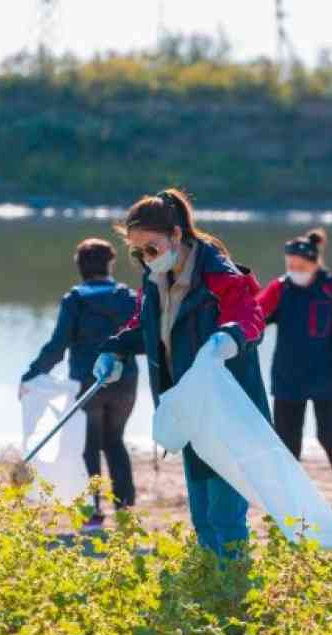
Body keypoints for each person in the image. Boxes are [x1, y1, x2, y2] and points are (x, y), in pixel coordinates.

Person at [94, 188, 269, 561]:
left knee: (225, 516)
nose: (145, 258)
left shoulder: (220, 275)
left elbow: (251, 317)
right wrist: (114, 349)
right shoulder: (155, 280)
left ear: (176, 235)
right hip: (187, 409)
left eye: (151, 248)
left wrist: (230, 337)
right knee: (202, 515)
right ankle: (209, 586)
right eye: (137, 252)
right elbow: (143, 325)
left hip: (226, 411)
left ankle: (233, 592)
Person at [20, 238, 138, 527]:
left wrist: (32, 375)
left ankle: (92, 512)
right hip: (124, 382)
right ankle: (125, 510)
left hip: (86, 382)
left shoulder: (75, 299)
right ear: (111, 264)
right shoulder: (127, 297)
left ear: (80, 267)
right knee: (115, 442)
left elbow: (58, 345)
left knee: (88, 446)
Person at [256, 228, 332, 513]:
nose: (294, 271)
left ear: (315, 263)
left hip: (325, 376)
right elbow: (255, 314)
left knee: (330, 437)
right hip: (287, 377)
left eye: (300, 266)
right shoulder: (281, 288)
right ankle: (290, 501)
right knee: (286, 441)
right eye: (290, 266)